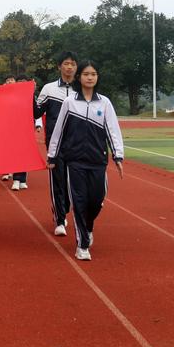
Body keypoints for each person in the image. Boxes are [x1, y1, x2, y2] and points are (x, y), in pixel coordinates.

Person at [47, 60, 124, 261]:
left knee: (97, 200)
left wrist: (118, 156)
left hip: (98, 161)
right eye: (86, 74)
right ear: (79, 77)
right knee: (79, 201)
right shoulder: (69, 103)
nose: (90, 77)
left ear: (97, 77)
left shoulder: (104, 103)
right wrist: (52, 156)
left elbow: (113, 130)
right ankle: (82, 245)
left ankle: (88, 227)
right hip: (75, 162)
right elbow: (59, 131)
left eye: (94, 74)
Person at [34, 51, 78, 235]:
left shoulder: (82, 89)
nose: (69, 67)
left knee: (74, 183)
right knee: (58, 181)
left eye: (73, 64)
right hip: (56, 143)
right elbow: (36, 112)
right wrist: (28, 94)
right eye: (66, 63)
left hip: (78, 144)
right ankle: (60, 219)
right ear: (59, 66)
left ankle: (64, 208)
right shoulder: (49, 89)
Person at [11, 74, 43, 191]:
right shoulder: (11, 96)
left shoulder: (31, 96)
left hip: (27, 130)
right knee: (16, 153)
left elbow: (36, 113)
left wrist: (32, 93)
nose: (22, 84)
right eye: (19, 82)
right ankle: (16, 179)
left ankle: (23, 179)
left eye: (24, 82)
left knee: (25, 154)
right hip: (14, 129)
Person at [1, 75, 16, 181]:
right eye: (8, 80)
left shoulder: (21, 94)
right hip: (4, 125)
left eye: (12, 80)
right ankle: (6, 171)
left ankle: (14, 170)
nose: (10, 81)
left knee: (15, 149)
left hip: (17, 126)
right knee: (5, 149)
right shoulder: (2, 94)